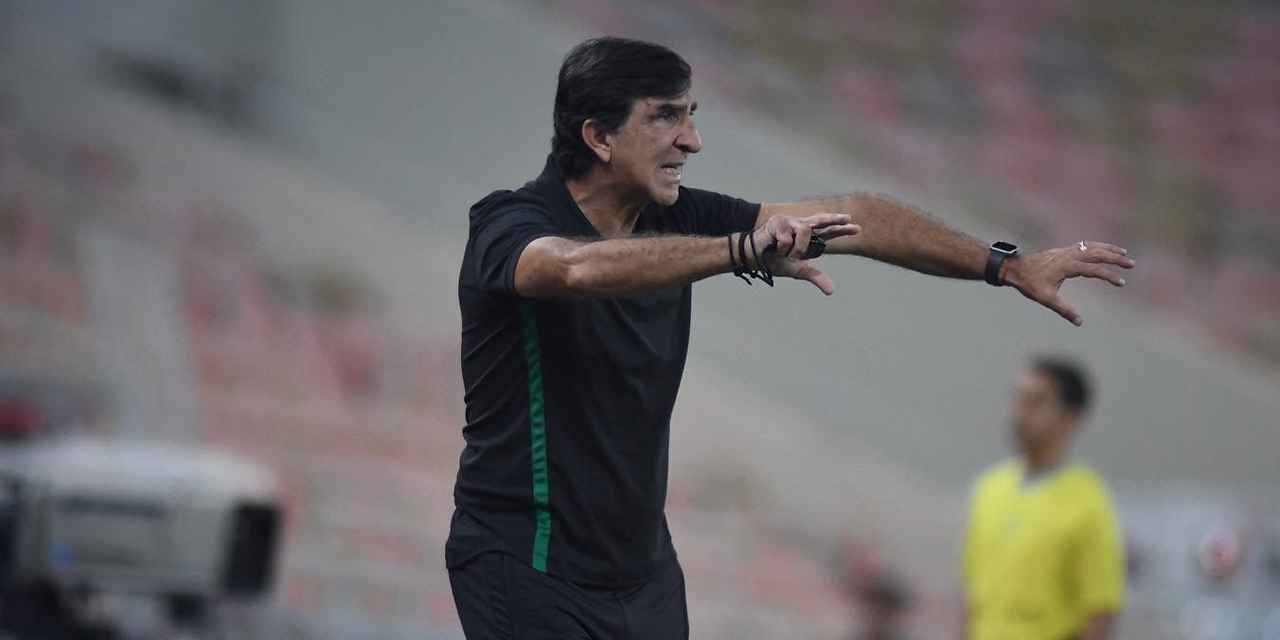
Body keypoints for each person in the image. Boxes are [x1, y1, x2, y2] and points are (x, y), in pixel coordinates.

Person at [449, 36, 1135, 639]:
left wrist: (1007, 264)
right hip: (526, 559)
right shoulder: (508, 222)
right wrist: (736, 250)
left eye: (692, 116)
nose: (692, 140)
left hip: (643, 572)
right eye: (666, 116)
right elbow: (566, 267)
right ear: (599, 137)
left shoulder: (680, 216)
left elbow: (858, 218)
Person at [959, 358, 1126, 640]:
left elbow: (1101, 608)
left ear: (1071, 417)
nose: (1019, 414)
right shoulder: (989, 489)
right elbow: (973, 594)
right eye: (1018, 400)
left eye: (1035, 403)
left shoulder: (1089, 503)